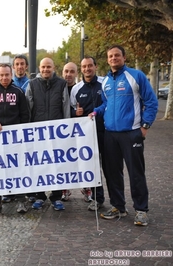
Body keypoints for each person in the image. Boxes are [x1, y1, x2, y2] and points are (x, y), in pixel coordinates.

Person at [90, 45, 158, 226]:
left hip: (131, 133)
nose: (113, 58)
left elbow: (151, 102)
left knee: (136, 173)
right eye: (110, 56)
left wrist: (144, 126)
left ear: (124, 57)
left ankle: (141, 210)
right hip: (110, 135)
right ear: (107, 59)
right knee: (112, 173)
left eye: (117, 55)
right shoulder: (105, 82)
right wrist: (95, 112)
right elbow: (106, 105)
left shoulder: (136, 76)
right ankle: (118, 206)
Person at [0, 64, 30, 213]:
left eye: (7, 75)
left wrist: (22, 133)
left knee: (17, 169)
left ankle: (21, 200)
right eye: (1, 75)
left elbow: (25, 114)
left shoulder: (19, 92)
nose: (4, 78)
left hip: (15, 140)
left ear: (11, 74)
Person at [25, 57, 70, 211]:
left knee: (57, 165)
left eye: (48, 67)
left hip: (57, 133)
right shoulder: (32, 84)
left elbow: (65, 108)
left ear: (53, 67)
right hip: (37, 133)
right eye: (43, 67)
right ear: (39, 68)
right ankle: (40, 196)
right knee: (39, 165)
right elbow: (28, 109)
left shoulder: (62, 84)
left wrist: (66, 130)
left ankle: (56, 196)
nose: (45, 70)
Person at [71, 56, 105, 211]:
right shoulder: (76, 89)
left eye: (90, 66)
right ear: (81, 68)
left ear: (95, 66)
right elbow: (71, 111)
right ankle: (98, 199)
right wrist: (75, 112)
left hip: (106, 131)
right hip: (86, 135)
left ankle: (118, 202)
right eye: (84, 66)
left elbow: (110, 102)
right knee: (92, 167)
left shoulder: (104, 83)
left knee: (110, 168)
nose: (87, 69)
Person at [60, 61, 78, 201]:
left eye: (72, 71)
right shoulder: (58, 88)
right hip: (61, 133)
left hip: (78, 132)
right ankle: (64, 189)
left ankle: (87, 189)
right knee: (63, 163)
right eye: (66, 71)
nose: (68, 74)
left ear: (76, 73)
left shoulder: (80, 89)